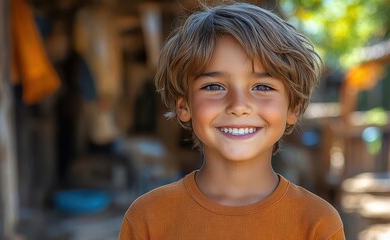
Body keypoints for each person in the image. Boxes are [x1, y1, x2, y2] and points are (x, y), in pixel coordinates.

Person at [119, 2, 345, 239]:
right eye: (214, 86)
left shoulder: (317, 222)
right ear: (184, 105)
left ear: (293, 107)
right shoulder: (148, 218)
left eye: (262, 87)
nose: (238, 106)